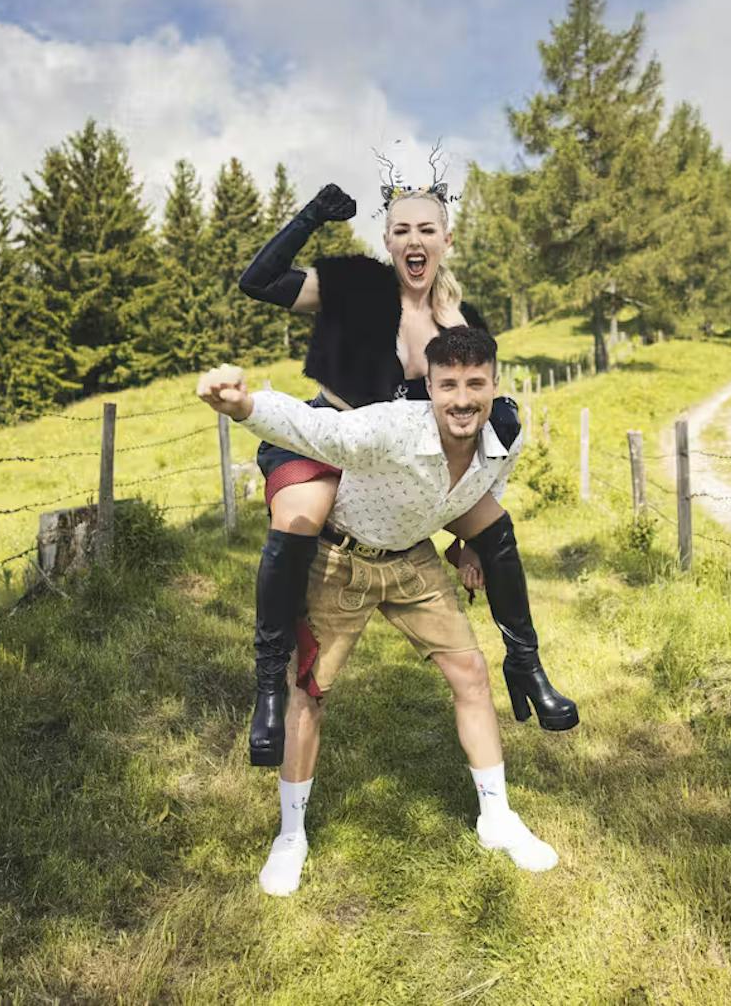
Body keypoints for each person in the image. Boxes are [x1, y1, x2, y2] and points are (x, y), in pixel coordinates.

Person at [197, 326, 559, 895]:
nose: (462, 399)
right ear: (430, 389)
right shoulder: (390, 428)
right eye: (448, 386)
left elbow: (491, 485)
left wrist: (465, 547)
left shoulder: (504, 432)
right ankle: (291, 835)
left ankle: (497, 818)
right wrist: (244, 405)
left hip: (412, 559)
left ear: (494, 384)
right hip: (340, 559)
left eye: (475, 384)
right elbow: (316, 428)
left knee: (471, 672)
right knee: (307, 694)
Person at [235, 178, 575, 770]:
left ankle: (527, 664)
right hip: (331, 440)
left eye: (426, 229)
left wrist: (463, 541)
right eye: (401, 230)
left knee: (495, 526)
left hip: (400, 459)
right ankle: (269, 686)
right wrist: (313, 216)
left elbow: (470, 415)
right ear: (388, 241)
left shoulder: (459, 317)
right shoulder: (355, 289)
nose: (414, 240)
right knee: (301, 515)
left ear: (445, 239)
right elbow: (257, 282)